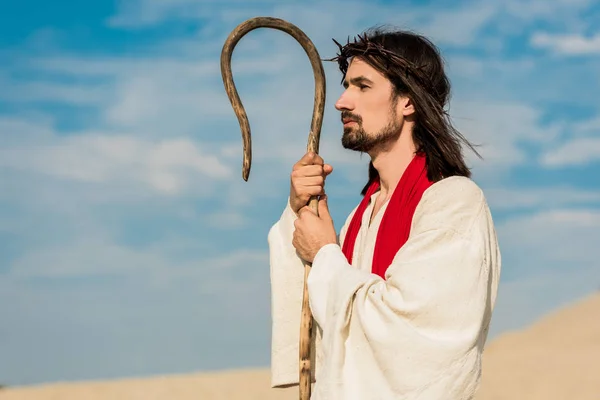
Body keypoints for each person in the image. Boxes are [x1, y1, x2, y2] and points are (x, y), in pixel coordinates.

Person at [267, 27, 501, 399]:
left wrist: (325, 254)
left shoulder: (454, 203)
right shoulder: (362, 215)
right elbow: (325, 329)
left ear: (408, 101)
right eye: (346, 87)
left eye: (362, 86)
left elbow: (414, 334)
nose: (342, 102)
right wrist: (299, 216)